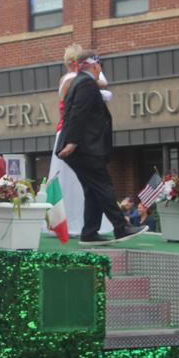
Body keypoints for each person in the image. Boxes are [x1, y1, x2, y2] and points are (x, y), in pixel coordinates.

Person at [55, 49, 144, 245]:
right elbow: (78, 113)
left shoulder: (79, 82)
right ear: (95, 66)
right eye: (99, 65)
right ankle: (121, 227)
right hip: (85, 149)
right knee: (103, 187)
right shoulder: (86, 83)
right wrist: (72, 142)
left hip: (82, 149)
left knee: (93, 189)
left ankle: (89, 232)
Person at [47, 43, 112, 237]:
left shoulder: (70, 79)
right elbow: (101, 83)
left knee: (80, 183)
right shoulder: (77, 80)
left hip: (71, 134)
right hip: (72, 136)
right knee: (76, 183)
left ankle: (79, 224)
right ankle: (72, 223)